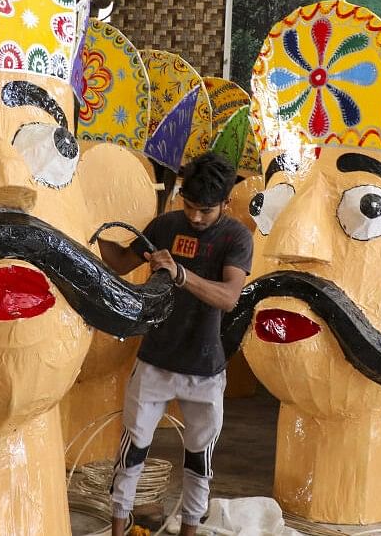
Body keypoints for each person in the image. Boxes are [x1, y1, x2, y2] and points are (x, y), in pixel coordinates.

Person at [96, 152, 253, 536]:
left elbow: (230, 297)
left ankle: (189, 531)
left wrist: (180, 274)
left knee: (199, 460)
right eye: (189, 205)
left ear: (226, 204)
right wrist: (90, 227)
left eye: (206, 210)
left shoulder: (236, 237)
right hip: (155, 361)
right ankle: (118, 529)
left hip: (205, 367)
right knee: (132, 450)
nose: (196, 217)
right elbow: (118, 262)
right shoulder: (166, 225)